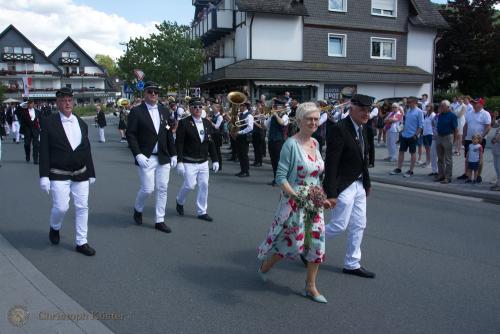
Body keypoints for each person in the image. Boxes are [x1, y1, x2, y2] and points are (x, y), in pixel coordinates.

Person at [257, 102, 329, 304]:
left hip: (314, 202)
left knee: (317, 243)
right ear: (299, 121)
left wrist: (321, 198)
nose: (314, 122)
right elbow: (280, 178)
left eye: (316, 119)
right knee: (290, 243)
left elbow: (317, 174)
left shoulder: (315, 143)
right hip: (295, 202)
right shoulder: (290, 145)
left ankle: (310, 286)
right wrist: (298, 197)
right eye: (309, 119)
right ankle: (265, 266)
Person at [38, 87, 96, 256]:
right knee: (61, 207)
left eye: (70, 100)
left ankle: (81, 242)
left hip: (81, 173)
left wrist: (91, 172)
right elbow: (44, 151)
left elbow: (86, 149)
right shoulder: (48, 123)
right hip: (58, 173)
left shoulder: (81, 123)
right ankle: (55, 227)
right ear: (57, 103)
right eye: (63, 101)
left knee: (82, 207)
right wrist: (44, 176)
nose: (67, 103)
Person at [324, 94, 375, 279]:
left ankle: (352, 263)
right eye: (362, 110)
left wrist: (367, 182)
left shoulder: (363, 129)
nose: (366, 114)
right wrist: (330, 192)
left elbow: (364, 159)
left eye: (368, 110)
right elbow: (331, 163)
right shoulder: (339, 129)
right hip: (344, 185)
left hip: (359, 184)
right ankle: (309, 243)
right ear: (351, 108)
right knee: (338, 225)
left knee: (359, 224)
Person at [126, 81, 177, 233]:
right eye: (150, 91)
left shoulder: (164, 111)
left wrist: (173, 153)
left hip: (163, 155)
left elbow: (168, 132)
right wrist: (137, 154)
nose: (153, 94)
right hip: (146, 156)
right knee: (148, 189)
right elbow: (131, 134)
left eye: (156, 91)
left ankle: (159, 220)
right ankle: (138, 208)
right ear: (145, 93)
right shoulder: (136, 111)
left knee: (162, 188)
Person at [175, 98, 219, 222]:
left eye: (200, 106)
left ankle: (202, 211)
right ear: (190, 108)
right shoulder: (184, 123)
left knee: (204, 185)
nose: (198, 109)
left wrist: (215, 160)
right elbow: (179, 143)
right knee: (189, 185)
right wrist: (179, 162)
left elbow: (211, 143)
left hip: (203, 161)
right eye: (195, 107)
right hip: (189, 161)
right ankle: (180, 200)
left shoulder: (207, 122)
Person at [458, 97, 491, 183]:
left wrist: (482, 137)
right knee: (467, 157)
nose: (473, 104)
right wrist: (464, 136)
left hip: (479, 140)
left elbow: (488, 127)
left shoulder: (485, 114)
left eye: (475, 103)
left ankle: (478, 176)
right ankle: (467, 174)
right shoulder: (469, 113)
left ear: (481, 104)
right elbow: (466, 125)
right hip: (469, 139)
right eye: (473, 103)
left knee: (479, 158)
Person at [390, 96, 423, 178]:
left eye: (409, 102)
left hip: (412, 136)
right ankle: (399, 168)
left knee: (412, 153)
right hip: (404, 135)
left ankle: (411, 171)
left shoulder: (419, 112)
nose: (407, 103)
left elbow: (421, 126)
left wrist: (416, 135)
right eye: (407, 102)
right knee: (401, 152)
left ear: (415, 102)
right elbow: (405, 123)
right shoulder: (408, 110)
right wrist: (401, 132)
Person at [265, 99, 289, 186]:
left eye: (277, 106)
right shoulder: (272, 116)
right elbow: (266, 126)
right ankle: (275, 178)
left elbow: (282, 123)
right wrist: (263, 118)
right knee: (273, 161)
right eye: (275, 106)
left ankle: (281, 180)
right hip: (271, 140)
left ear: (282, 107)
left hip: (279, 141)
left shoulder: (285, 115)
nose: (275, 108)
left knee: (279, 161)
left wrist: (275, 115)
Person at [434, 100, 458, 184]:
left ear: (448, 107)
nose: (441, 108)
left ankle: (448, 177)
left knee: (448, 159)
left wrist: (454, 141)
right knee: (440, 158)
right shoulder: (440, 115)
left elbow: (456, 129)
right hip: (439, 137)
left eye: (442, 106)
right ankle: (441, 175)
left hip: (448, 137)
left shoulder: (452, 116)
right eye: (440, 106)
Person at [234, 101, 253, 177]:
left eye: (241, 106)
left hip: (244, 137)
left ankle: (246, 171)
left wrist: (240, 132)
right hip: (240, 137)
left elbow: (250, 127)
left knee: (244, 155)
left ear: (244, 106)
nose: (239, 107)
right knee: (240, 154)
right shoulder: (241, 114)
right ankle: (242, 170)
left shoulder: (249, 116)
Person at [207, 103, 223, 170]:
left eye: (214, 108)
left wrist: (210, 121)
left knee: (217, 151)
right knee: (213, 151)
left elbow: (217, 126)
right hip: (212, 134)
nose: (213, 109)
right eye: (213, 108)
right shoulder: (213, 115)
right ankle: (215, 165)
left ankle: (219, 165)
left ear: (218, 108)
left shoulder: (220, 117)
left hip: (217, 135)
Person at [422, 103, 436, 168]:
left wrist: (434, 133)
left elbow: (434, 125)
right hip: (425, 133)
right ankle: (427, 160)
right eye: (426, 106)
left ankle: (430, 162)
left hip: (430, 133)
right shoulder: (426, 114)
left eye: (428, 106)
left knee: (430, 149)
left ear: (431, 107)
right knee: (427, 149)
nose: (426, 107)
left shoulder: (433, 115)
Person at [252, 101, 264, 167]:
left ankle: (259, 162)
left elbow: (261, 126)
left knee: (259, 149)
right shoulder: (255, 116)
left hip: (259, 133)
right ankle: (256, 161)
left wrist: (254, 122)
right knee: (255, 148)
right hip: (255, 133)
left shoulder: (261, 116)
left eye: (257, 110)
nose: (256, 110)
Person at [491, 125, 500, 191]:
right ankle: (498, 182)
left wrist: (494, 139)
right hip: (496, 150)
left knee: (499, 168)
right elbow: (493, 124)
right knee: (497, 168)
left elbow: (497, 138)